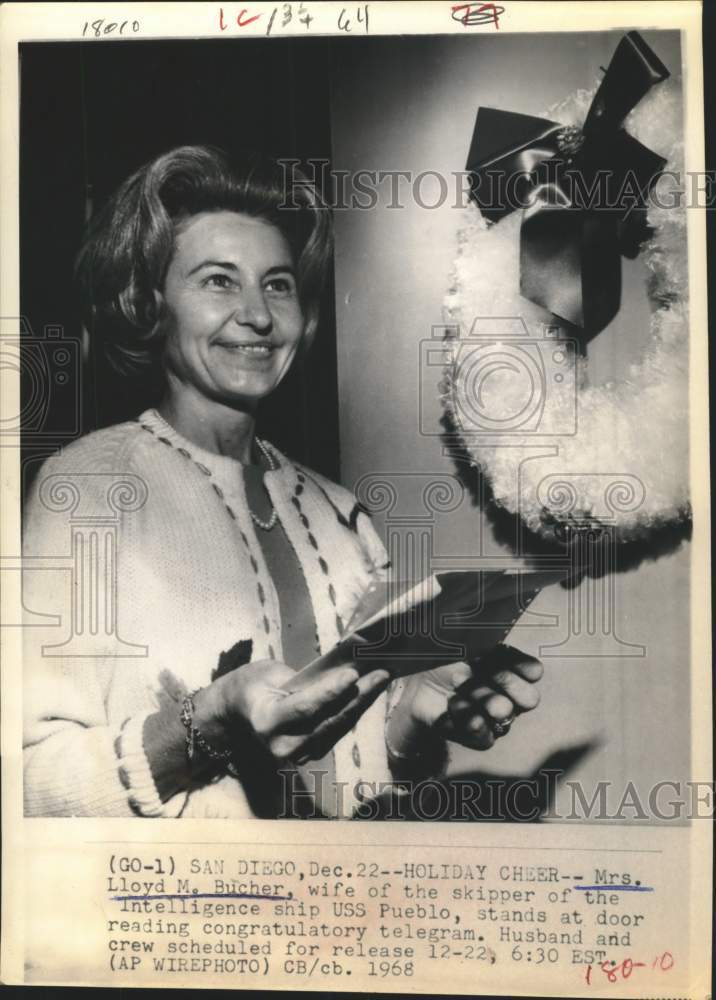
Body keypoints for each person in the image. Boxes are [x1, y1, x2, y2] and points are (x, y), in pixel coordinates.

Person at [22, 146, 543, 819]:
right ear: (151, 303)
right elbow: (29, 786)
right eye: (217, 281)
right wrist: (207, 724)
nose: (258, 316)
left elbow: (353, 772)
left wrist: (418, 717)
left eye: (277, 284)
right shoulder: (86, 490)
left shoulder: (342, 515)